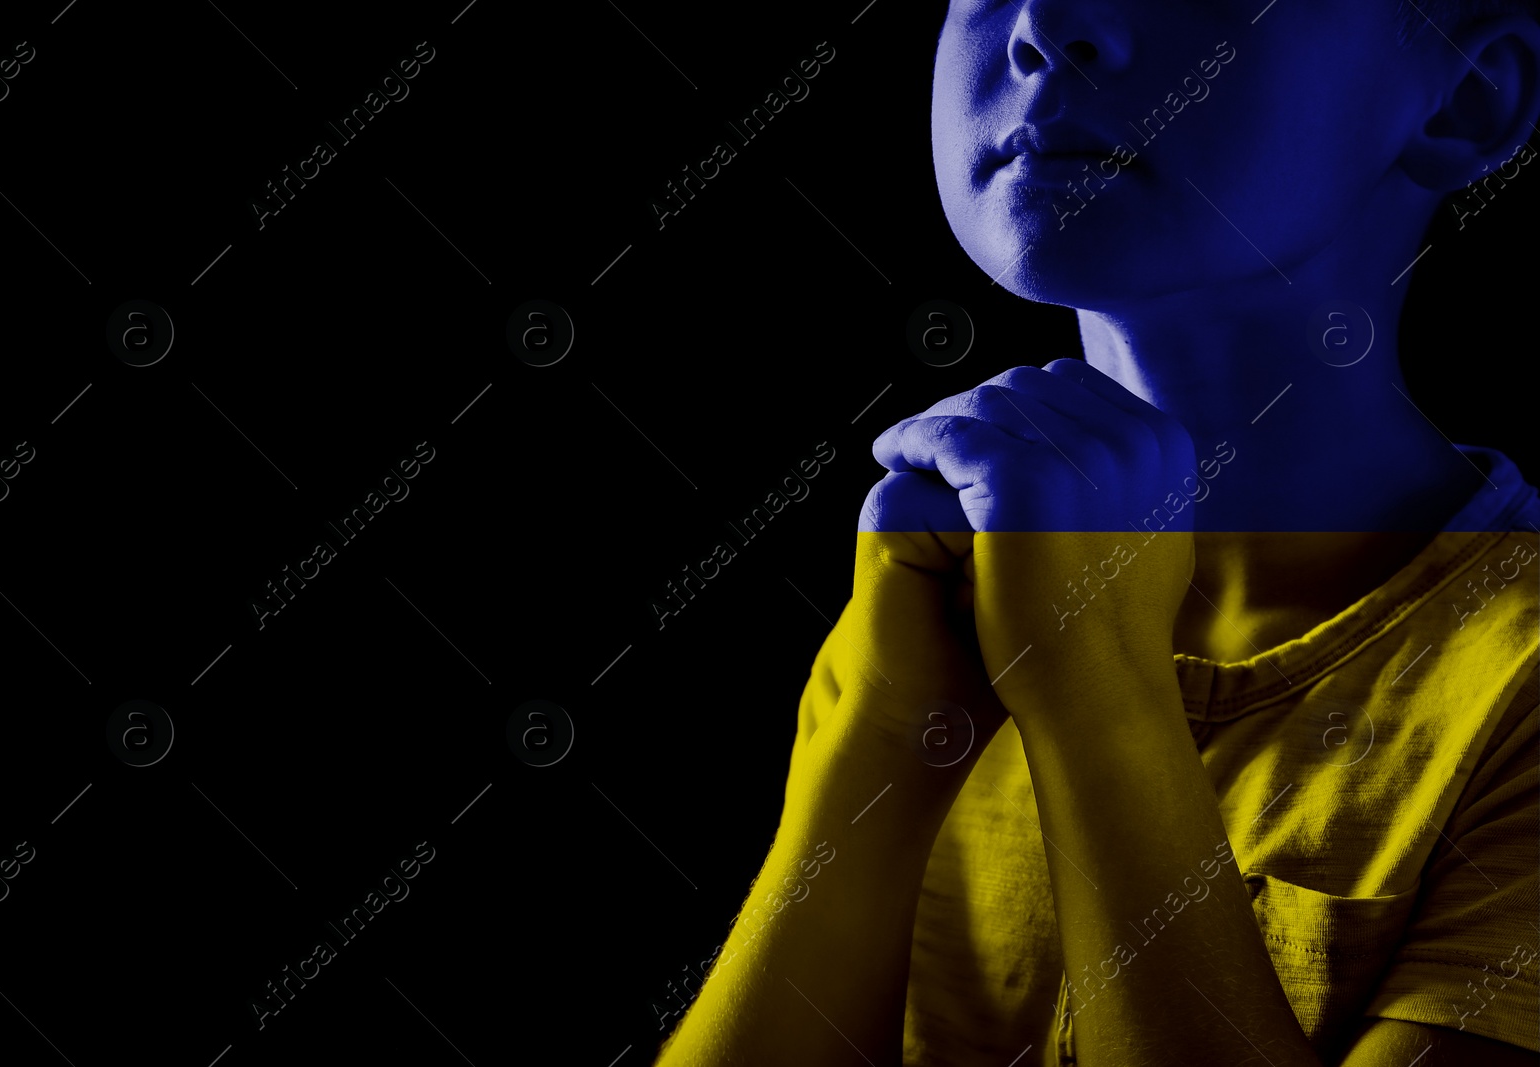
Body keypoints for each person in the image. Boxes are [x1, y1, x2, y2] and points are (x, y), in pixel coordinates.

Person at [654, 1, 1540, 1064]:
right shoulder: (930, 595)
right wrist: (879, 749)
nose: (1046, 25)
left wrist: (1096, 692)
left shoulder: (1512, 692)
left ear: (1468, 96)